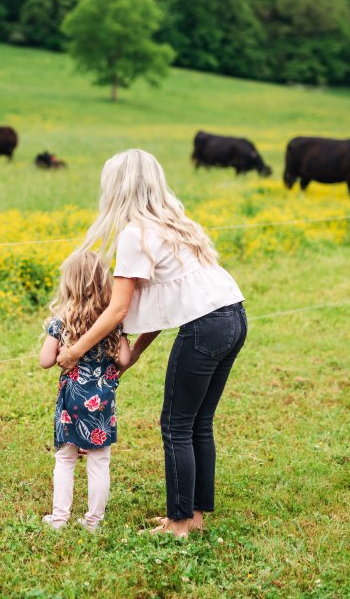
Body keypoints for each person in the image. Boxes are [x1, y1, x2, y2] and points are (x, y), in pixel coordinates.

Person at [57, 149, 247, 538]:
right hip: (234, 317)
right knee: (198, 423)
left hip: (206, 327)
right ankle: (194, 517)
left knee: (176, 425)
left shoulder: (134, 235)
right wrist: (136, 354)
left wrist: (75, 350)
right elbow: (167, 303)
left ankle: (178, 525)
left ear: (118, 188)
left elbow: (116, 310)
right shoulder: (177, 225)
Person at [39, 251, 131, 532]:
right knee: (99, 461)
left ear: (68, 284)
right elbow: (125, 360)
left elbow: (45, 361)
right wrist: (122, 337)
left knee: (65, 458)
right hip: (102, 400)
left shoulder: (60, 320)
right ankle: (93, 522)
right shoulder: (113, 322)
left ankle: (59, 519)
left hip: (71, 400)